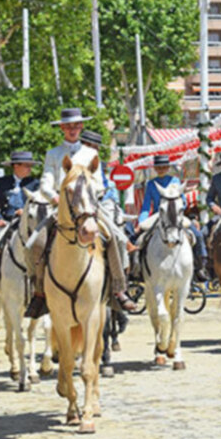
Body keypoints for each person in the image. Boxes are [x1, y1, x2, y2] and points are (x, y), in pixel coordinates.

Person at [25, 108, 137, 319]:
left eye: (76, 125)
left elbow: (100, 184)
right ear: (62, 128)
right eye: (68, 126)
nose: (72, 129)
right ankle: (39, 292)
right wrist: (55, 197)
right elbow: (45, 183)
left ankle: (119, 289)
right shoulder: (53, 154)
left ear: (81, 127)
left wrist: (90, 200)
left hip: (89, 208)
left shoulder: (91, 154)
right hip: (62, 208)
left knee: (118, 239)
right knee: (33, 244)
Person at [137, 154, 209, 282]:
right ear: (154, 168)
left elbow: (184, 201)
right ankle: (137, 267)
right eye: (158, 167)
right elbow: (147, 205)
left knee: (197, 234)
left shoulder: (175, 181)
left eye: (164, 167)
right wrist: (141, 221)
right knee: (139, 239)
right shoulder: (151, 184)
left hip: (176, 214)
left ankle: (200, 266)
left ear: (168, 167)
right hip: (158, 215)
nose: (161, 169)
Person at [0, 151, 40, 291]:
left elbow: (38, 204)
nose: (30, 169)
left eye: (30, 165)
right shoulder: (3, 182)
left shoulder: (35, 183)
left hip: (27, 223)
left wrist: (25, 211)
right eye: (27, 165)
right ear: (16, 166)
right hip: (6, 222)